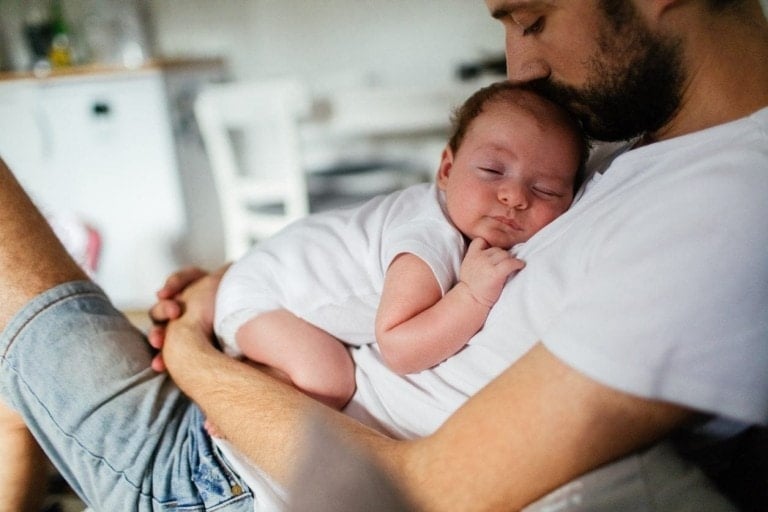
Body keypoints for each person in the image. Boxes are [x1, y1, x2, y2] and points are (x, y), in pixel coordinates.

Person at [0, 0, 766, 511]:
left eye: (532, 17)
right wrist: (235, 285)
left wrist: (195, 350)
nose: (520, 65)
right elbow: (397, 235)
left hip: (233, 479)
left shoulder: (730, 203)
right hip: (265, 405)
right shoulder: (629, 148)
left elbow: (408, 496)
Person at [212, 81, 584, 412]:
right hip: (262, 296)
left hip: (272, 269)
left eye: (546, 189)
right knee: (330, 380)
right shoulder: (429, 238)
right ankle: (236, 395)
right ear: (446, 171)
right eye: (492, 170)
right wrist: (472, 295)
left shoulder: (455, 218)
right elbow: (399, 349)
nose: (514, 196)